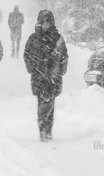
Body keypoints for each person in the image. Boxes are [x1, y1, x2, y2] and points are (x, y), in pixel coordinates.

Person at [23, 9, 68, 142]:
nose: (46, 25)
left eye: (48, 22)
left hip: (53, 77)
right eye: (43, 22)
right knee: (42, 103)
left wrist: (60, 70)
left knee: (50, 103)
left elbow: (64, 56)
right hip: (39, 76)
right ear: (39, 23)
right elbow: (27, 55)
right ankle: (43, 129)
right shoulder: (33, 38)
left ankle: (47, 130)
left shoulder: (58, 38)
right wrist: (32, 68)